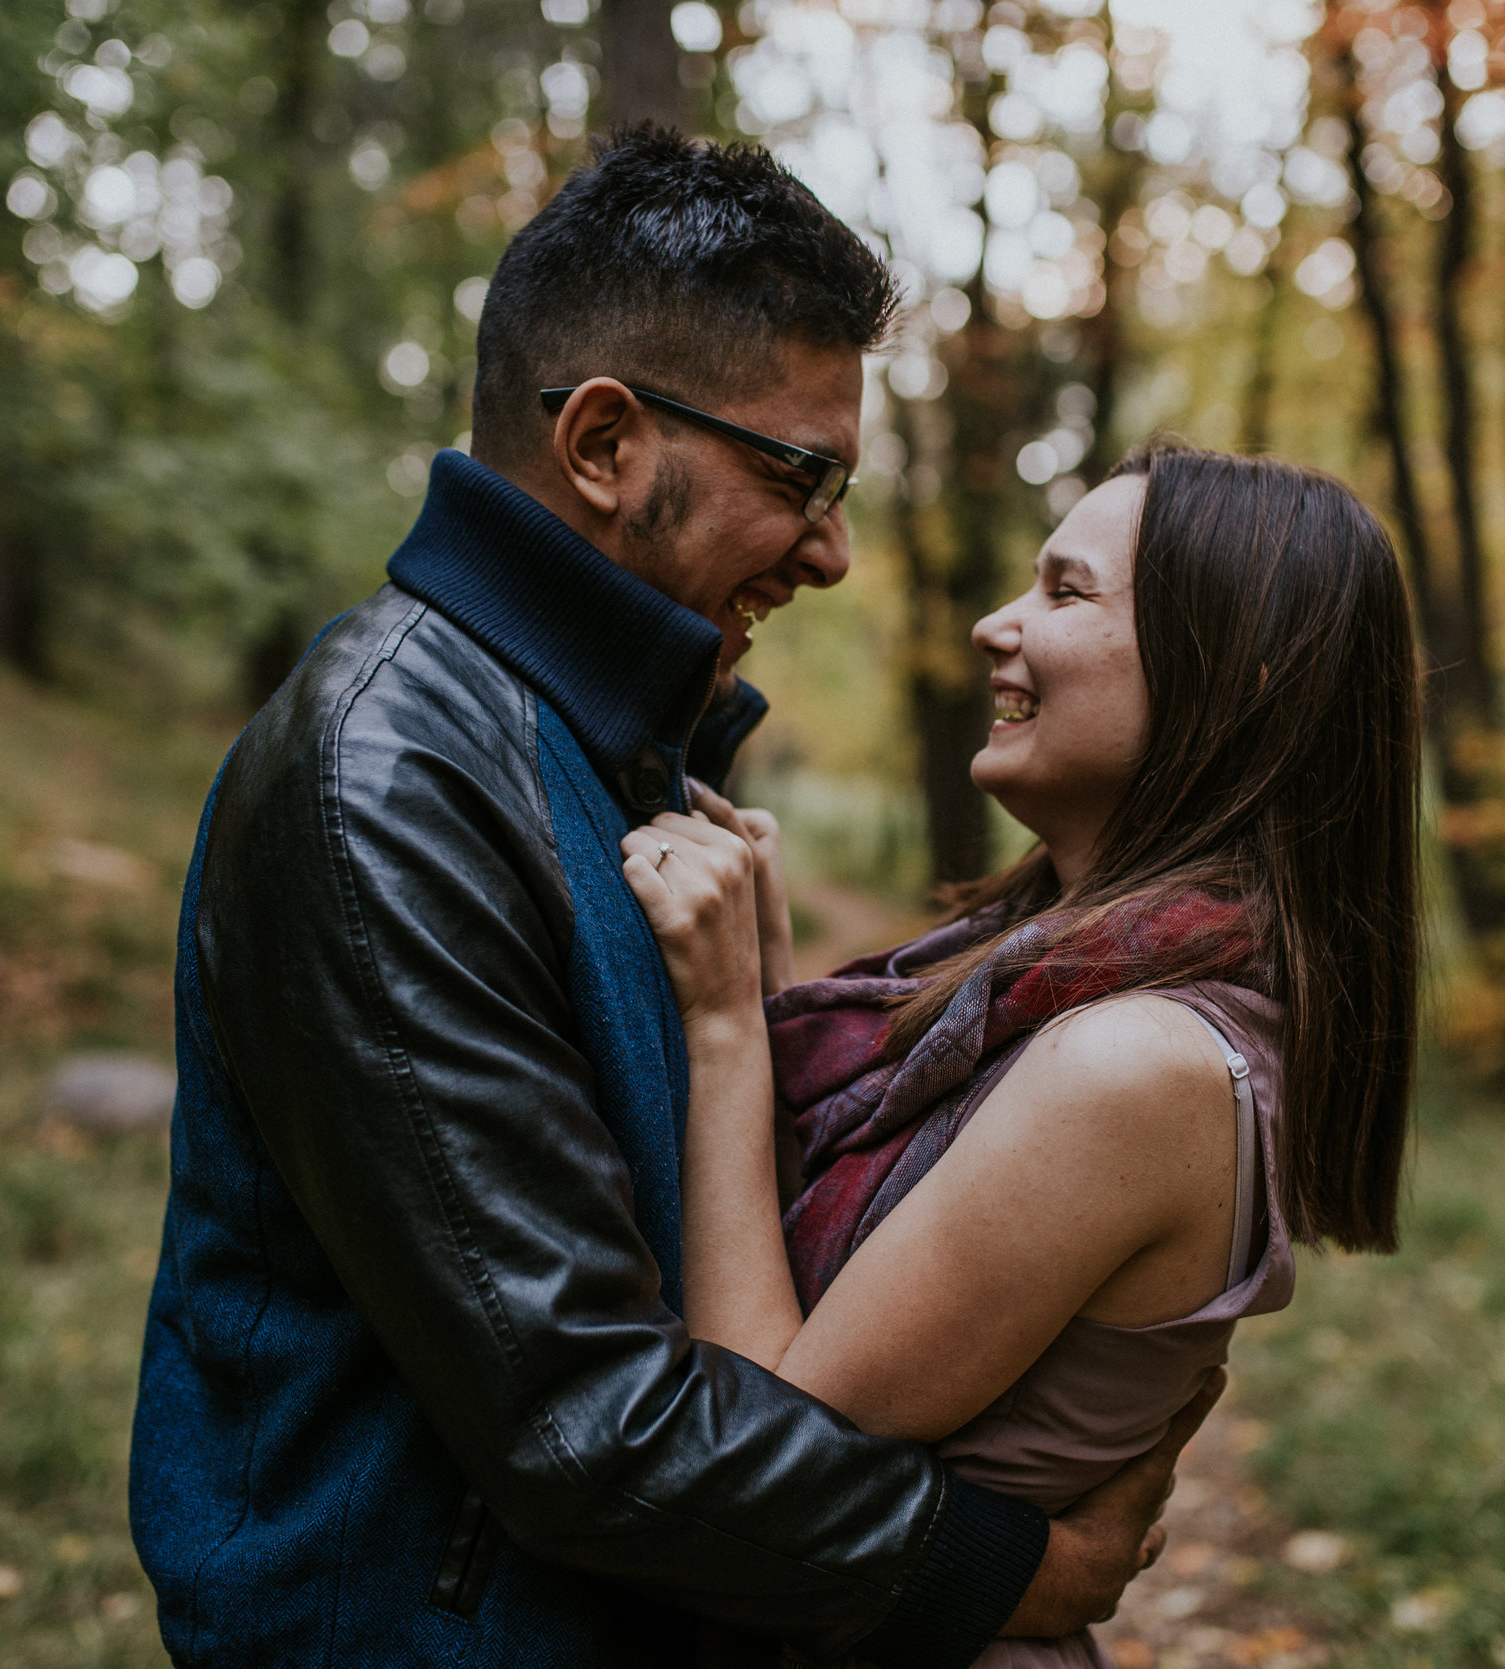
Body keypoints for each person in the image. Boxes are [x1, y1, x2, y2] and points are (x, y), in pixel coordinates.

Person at [129, 128, 1208, 1669]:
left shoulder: (615, 751)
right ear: (604, 443)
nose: (832, 550)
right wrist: (997, 1570)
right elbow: (586, 1420)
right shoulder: (386, 780)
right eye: (800, 476)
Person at [623, 445, 1424, 1668]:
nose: (999, 625)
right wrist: (777, 973)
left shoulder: (1135, 1062)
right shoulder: (1063, 985)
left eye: (1065, 591)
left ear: (1235, 684)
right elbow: (852, 1265)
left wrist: (730, 1026)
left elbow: (759, 1462)